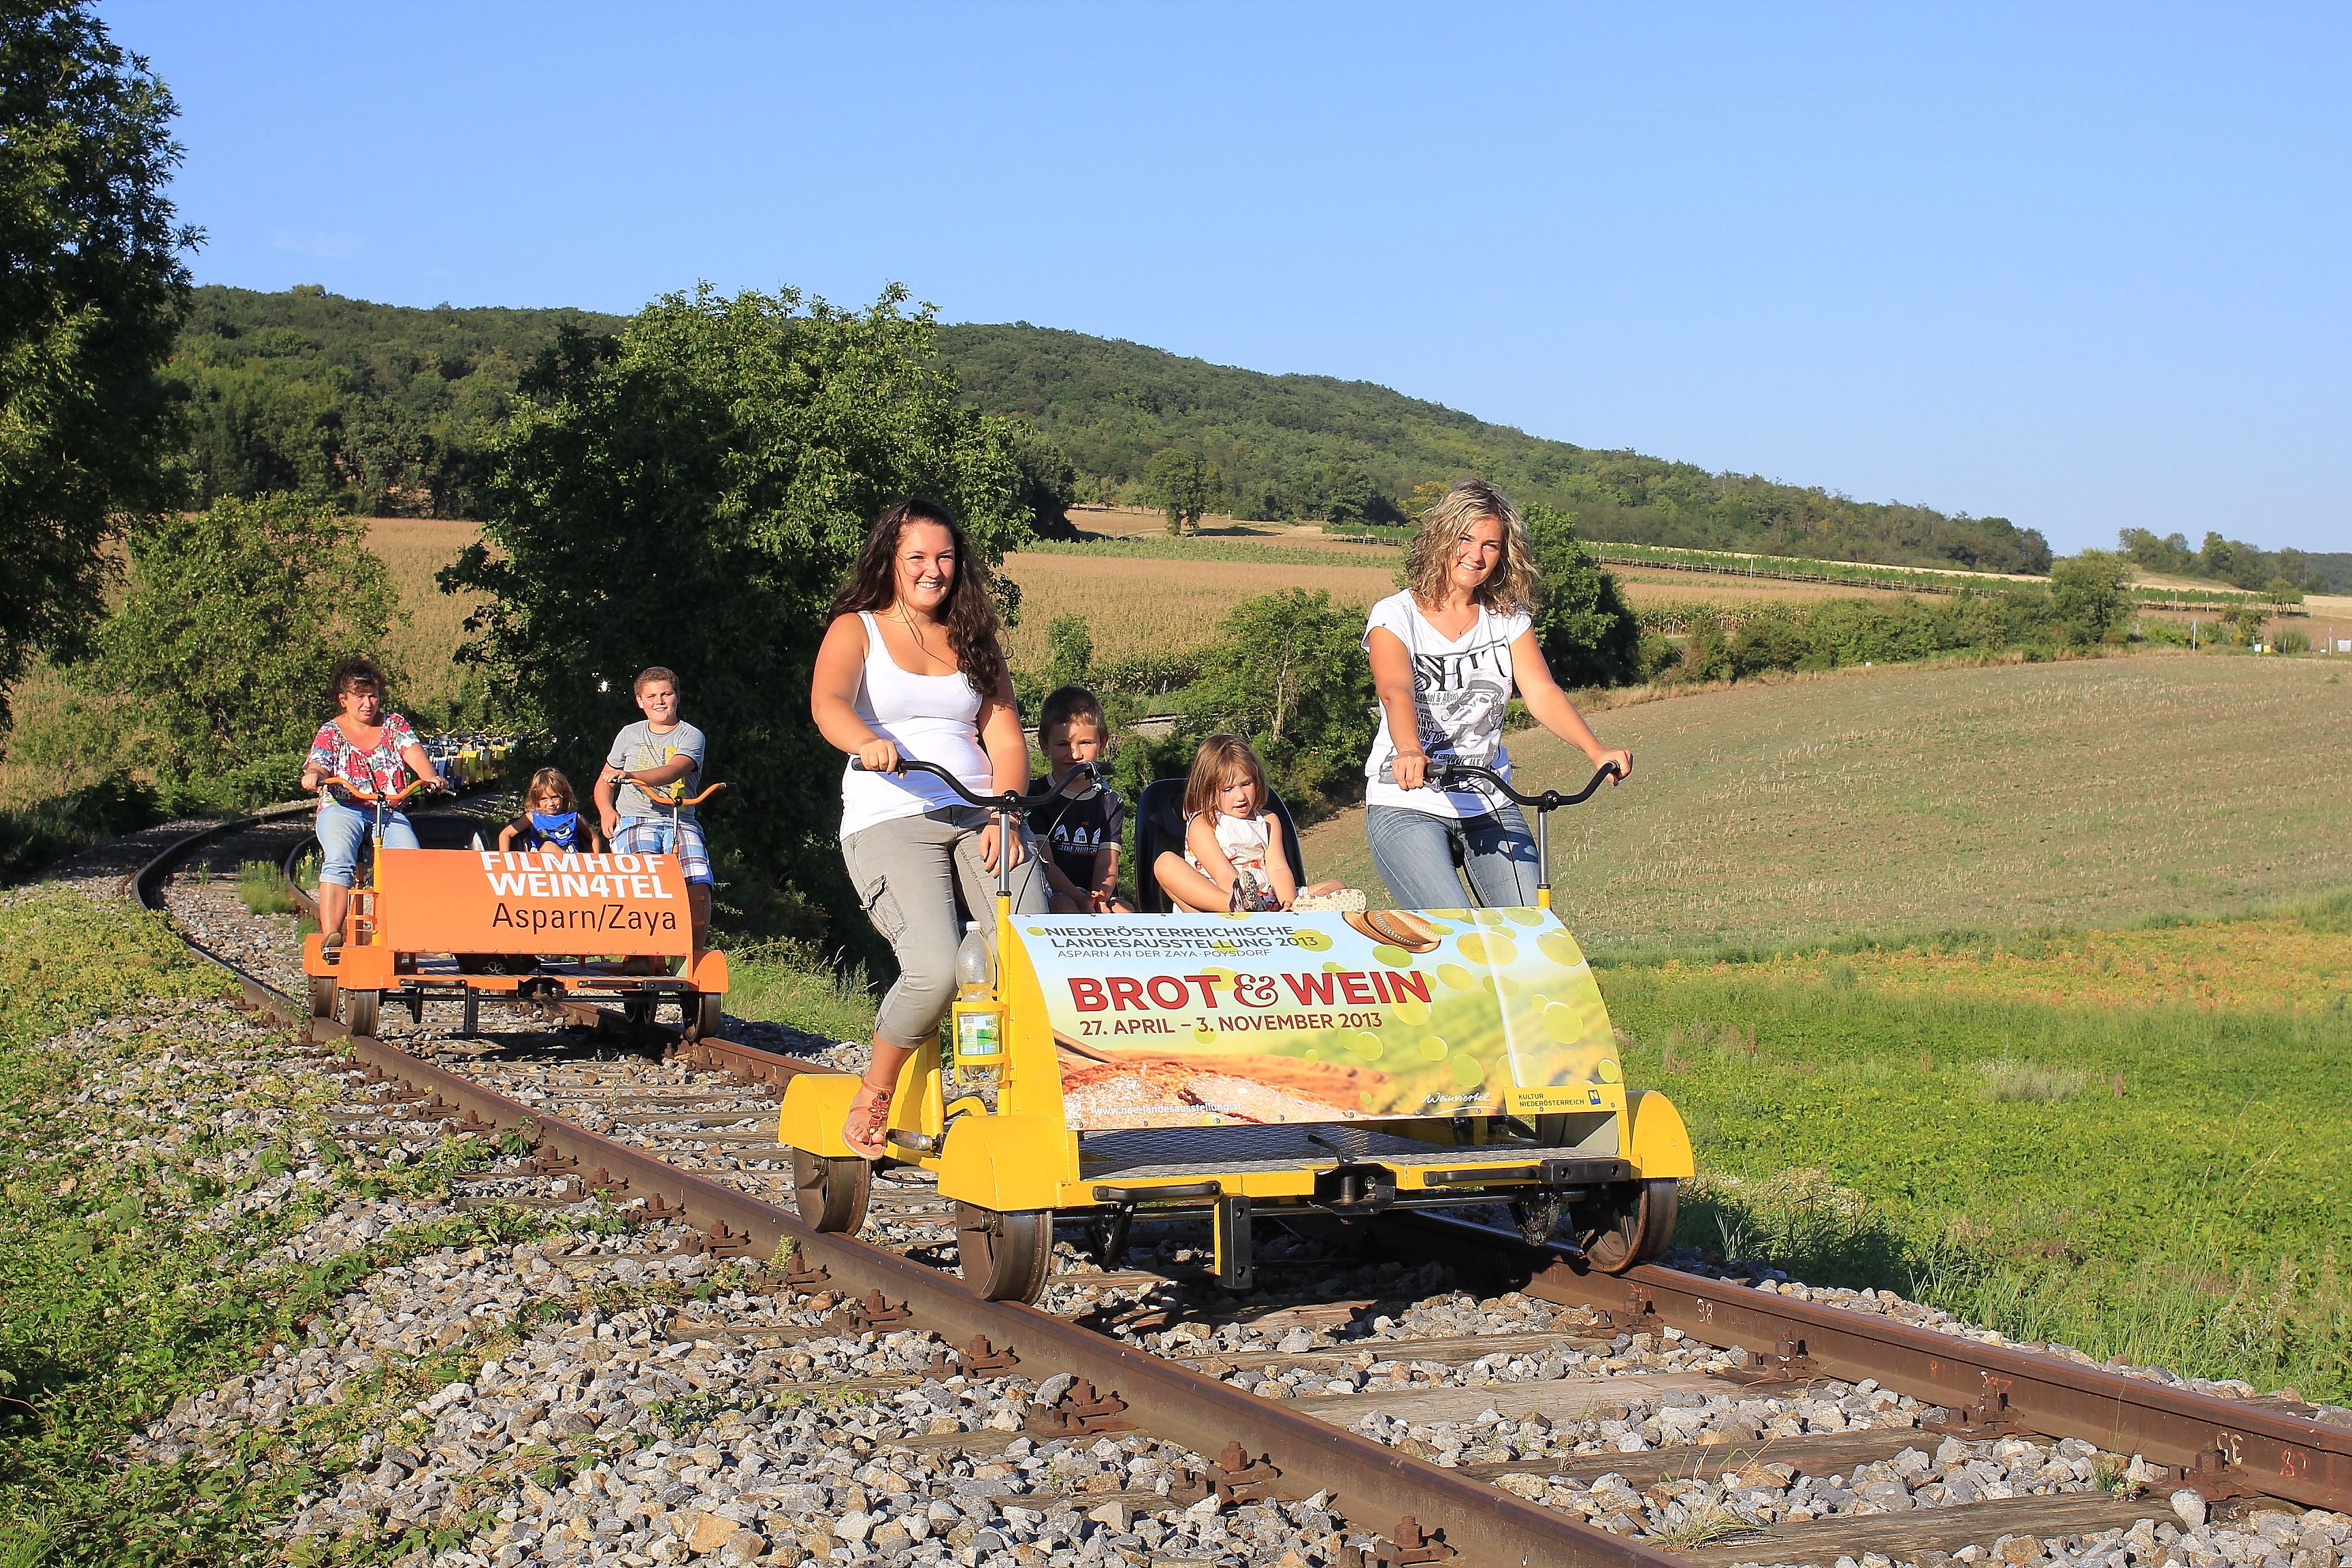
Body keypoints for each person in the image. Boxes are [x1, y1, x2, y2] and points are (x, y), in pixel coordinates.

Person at [811, 497, 1047, 1159]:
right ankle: (876, 1091)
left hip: (980, 809)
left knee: (1030, 954)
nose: (932, 570)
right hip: (890, 811)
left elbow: (1004, 736)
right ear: (891, 560)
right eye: (917, 556)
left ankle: (1028, 1091)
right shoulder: (856, 630)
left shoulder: (975, 640)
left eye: (944, 557)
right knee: (937, 968)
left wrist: (1006, 805)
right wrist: (865, 740)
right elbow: (828, 702)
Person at [1362, 478, 1633, 909]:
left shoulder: (1507, 617)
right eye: (1464, 539)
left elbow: (1541, 691)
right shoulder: (1395, 616)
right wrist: (1410, 751)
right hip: (1408, 798)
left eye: (1491, 545)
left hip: (1489, 798)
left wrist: (1596, 750)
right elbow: (1397, 691)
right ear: (1440, 539)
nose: (1476, 554)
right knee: (1453, 930)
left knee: (1530, 929)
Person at [299, 657, 448, 952]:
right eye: (360, 697)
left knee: (409, 860)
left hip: (387, 809)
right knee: (340, 857)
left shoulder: (394, 725)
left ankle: (403, 932)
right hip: (343, 806)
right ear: (344, 700)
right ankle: (332, 934)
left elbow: (414, 754)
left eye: (373, 695)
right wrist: (314, 776)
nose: (368, 703)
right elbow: (319, 762)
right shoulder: (331, 731)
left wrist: (430, 776)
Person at [1154, 733, 1347, 913]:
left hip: (1268, 898)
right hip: (1219, 900)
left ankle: (1302, 909)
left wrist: (1288, 902)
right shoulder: (1204, 823)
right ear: (1208, 789)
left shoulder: (1269, 820)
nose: (1240, 796)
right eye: (1227, 789)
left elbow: (1278, 868)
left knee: (1336, 886)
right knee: (1165, 864)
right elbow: (1222, 873)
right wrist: (1241, 896)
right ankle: (1236, 905)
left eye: (1246, 784)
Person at [595, 667, 711, 949]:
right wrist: (606, 810)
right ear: (639, 701)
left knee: (698, 881)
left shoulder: (691, 736)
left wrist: (633, 776)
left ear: (677, 697)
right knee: (644, 878)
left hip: (679, 820)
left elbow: (674, 771)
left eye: (666, 694)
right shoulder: (628, 734)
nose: (659, 702)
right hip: (636, 819)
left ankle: (693, 951)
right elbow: (605, 780)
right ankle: (640, 949)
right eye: (651, 696)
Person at [1028, 685, 1132, 914]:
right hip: (1055, 894)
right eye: (1063, 744)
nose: (1075, 754)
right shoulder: (1036, 795)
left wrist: (1100, 896)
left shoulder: (1111, 802)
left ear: (1102, 744)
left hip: (1094, 892)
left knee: (1124, 910)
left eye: (1085, 743)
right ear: (1045, 745)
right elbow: (1046, 864)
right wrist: (1078, 897)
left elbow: (1108, 863)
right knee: (1063, 906)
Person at [499, 768, 603, 853]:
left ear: (563, 796)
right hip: (540, 866)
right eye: (544, 799)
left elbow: (594, 838)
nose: (551, 803)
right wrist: (506, 860)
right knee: (547, 847)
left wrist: (595, 861)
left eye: (555, 797)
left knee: (548, 847)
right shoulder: (532, 817)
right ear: (537, 800)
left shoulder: (574, 818)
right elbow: (505, 834)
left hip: (570, 865)